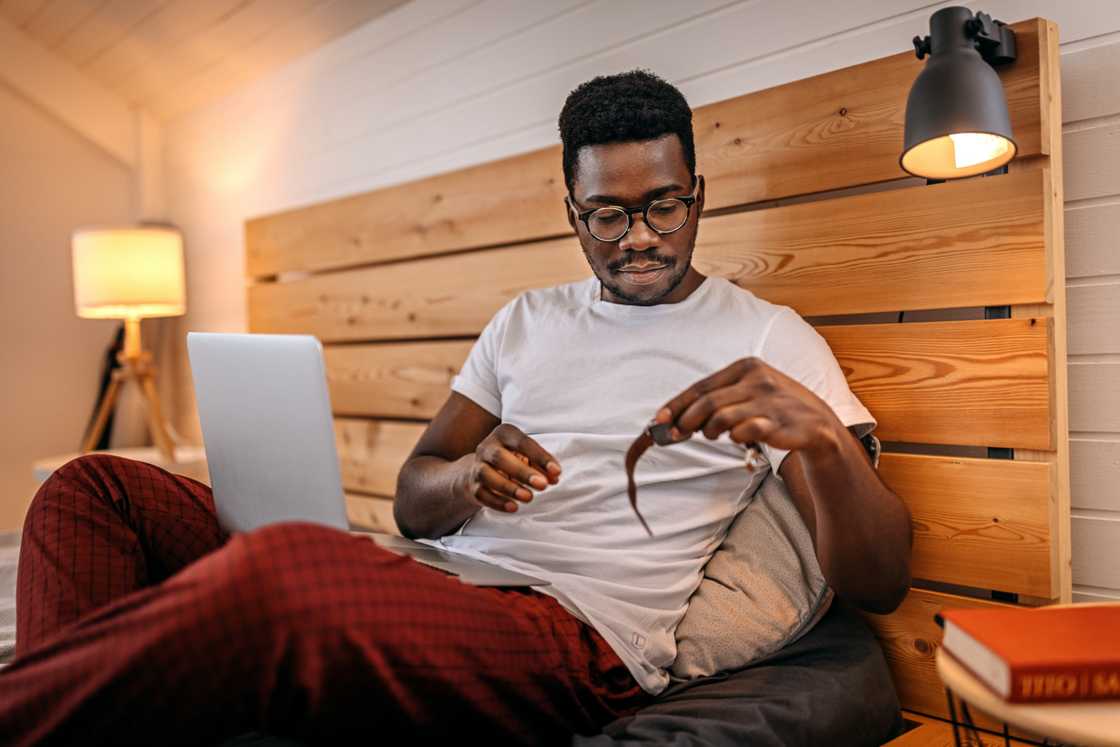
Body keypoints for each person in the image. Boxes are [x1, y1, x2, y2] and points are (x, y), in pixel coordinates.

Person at [1, 69, 911, 746]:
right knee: (93, 490)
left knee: (287, 570)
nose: (638, 237)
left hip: (574, 636)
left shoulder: (769, 337)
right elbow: (411, 498)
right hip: (434, 575)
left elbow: (879, 581)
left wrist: (827, 441)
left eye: (663, 206)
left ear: (698, 196)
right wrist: (470, 477)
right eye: (607, 214)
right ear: (572, 212)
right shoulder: (525, 320)